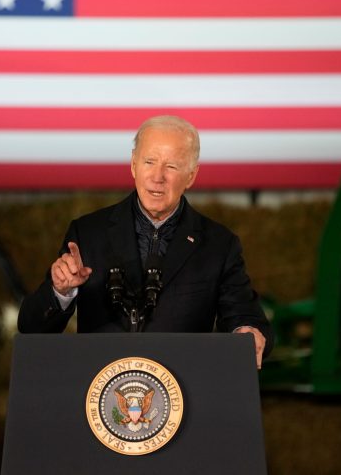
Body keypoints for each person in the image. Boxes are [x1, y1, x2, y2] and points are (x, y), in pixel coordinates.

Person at [18, 115, 273, 368]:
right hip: (99, 393)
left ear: (191, 176)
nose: (157, 177)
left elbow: (246, 316)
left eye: (171, 166)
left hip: (181, 394)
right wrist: (60, 291)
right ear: (133, 165)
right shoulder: (87, 233)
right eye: (149, 161)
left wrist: (246, 332)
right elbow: (31, 328)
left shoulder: (219, 245)